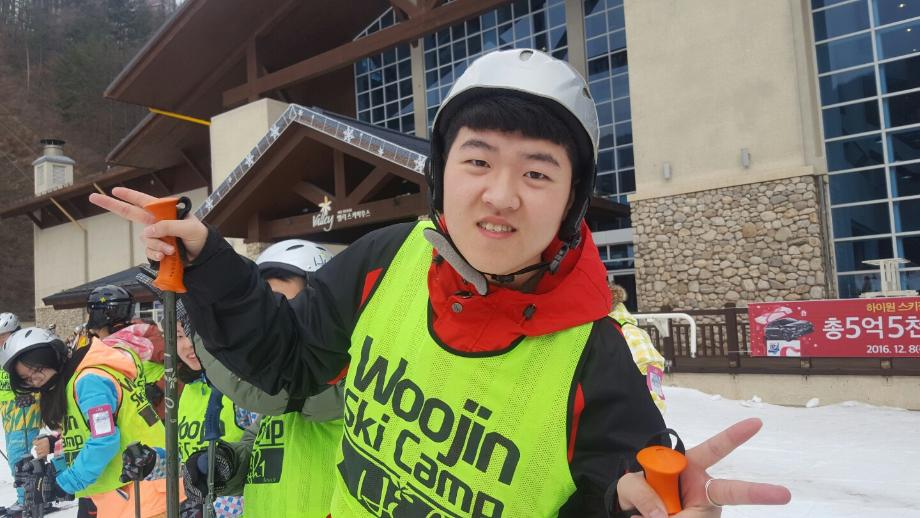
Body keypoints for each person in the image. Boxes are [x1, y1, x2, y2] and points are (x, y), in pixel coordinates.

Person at [91, 49, 791, 517]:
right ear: (441, 174)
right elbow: (288, 362)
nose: (501, 195)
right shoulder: (386, 260)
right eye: (477, 161)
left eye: (537, 172)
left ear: (572, 201)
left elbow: (622, 497)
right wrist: (211, 261)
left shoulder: (597, 360)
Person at [180, 239, 344, 516]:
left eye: (283, 305)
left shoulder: (349, 384)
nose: (270, 323)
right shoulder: (276, 395)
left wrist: (204, 326)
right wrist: (227, 465)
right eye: (264, 310)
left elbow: (286, 397)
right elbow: (257, 451)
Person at [0, 327, 169, 517]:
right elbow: (83, 439)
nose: (36, 379)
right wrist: (53, 471)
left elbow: (104, 440)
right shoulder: (72, 383)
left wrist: (63, 484)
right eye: (27, 379)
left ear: (49, 356)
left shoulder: (89, 382)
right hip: (125, 497)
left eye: (36, 369)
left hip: (147, 494)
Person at [0, 313, 45, 516]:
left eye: (3, 335)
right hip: (8, 410)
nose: (0, 340)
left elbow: (37, 376)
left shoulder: (22, 351)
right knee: (16, 455)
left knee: (18, 456)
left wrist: (31, 394)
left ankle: (26, 500)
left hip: (24, 407)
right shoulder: (2, 354)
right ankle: (33, 495)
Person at [608, 284, 667, 413]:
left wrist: (649, 415)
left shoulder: (628, 333)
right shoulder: (607, 330)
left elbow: (649, 371)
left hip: (630, 417)